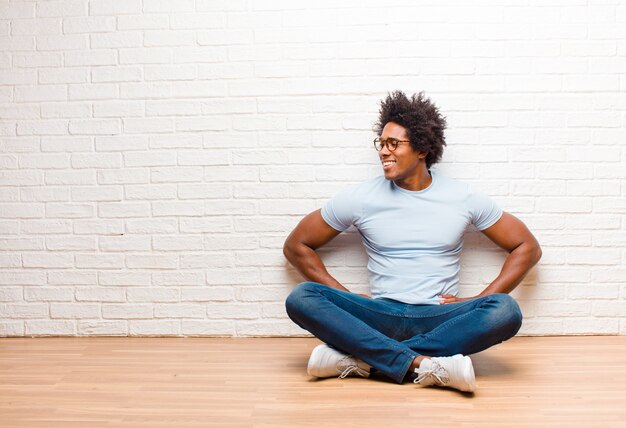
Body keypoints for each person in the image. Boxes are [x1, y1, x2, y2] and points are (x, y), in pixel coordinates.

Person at [282, 91, 542, 393]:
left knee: (505, 310)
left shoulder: (462, 197)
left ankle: (365, 359)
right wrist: (348, 295)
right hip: (380, 314)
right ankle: (424, 365)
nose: (383, 151)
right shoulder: (360, 197)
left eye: (394, 143)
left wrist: (474, 301)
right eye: (381, 143)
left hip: (438, 317)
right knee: (302, 297)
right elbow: (296, 245)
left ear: (421, 148)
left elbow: (527, 247)